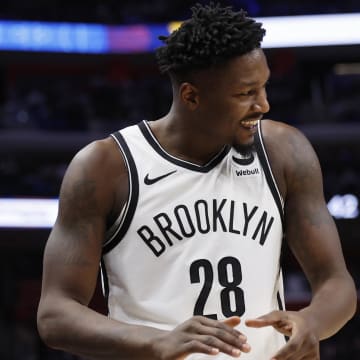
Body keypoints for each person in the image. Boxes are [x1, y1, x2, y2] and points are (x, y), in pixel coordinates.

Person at [37, 3, 357, 360]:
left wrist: (311, 321)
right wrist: (156, 341)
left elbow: (337, 283)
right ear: (191, 96)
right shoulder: (106, 167)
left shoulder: (284, 152)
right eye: (245, 94)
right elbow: (55, 314)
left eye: (264, 87)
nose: (263, 104)